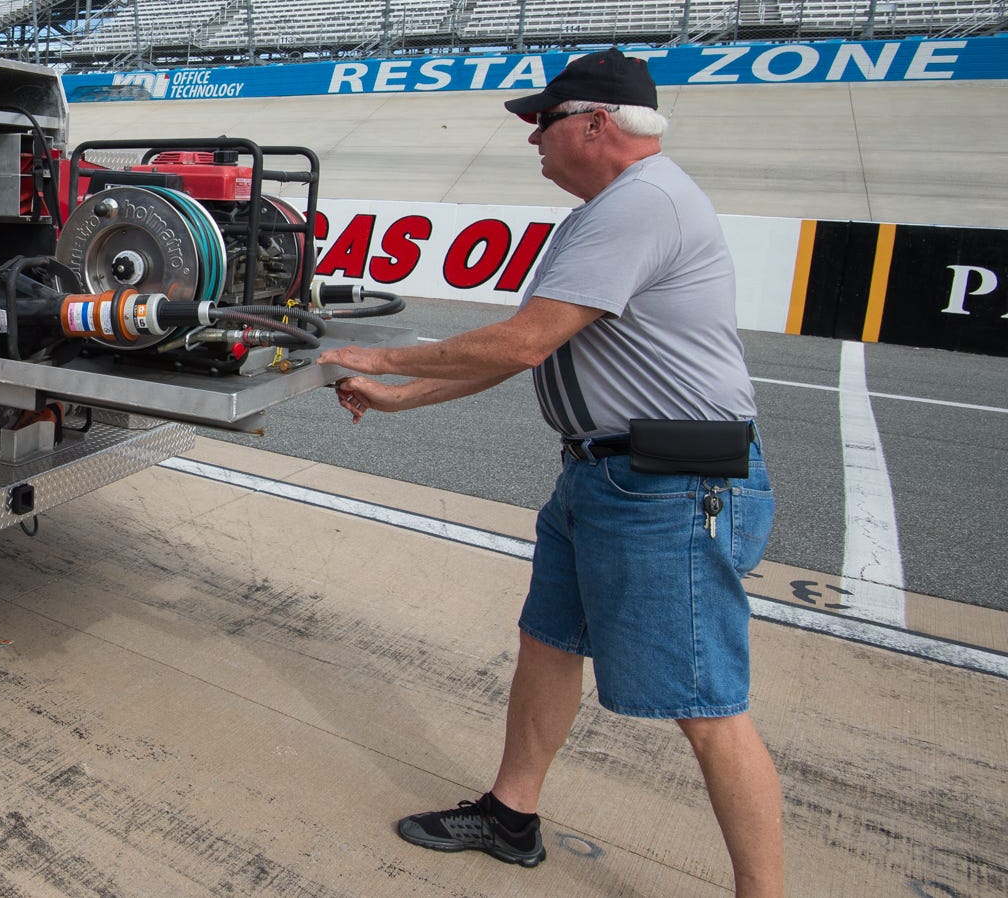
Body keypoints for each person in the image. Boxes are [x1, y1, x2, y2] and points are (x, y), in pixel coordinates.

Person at [319, 48, 782, 896]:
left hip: (668, 488)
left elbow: (523, 342)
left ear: (597, 123)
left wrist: (372, 353)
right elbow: (534, 346)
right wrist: (397, 396)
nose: (532, 139)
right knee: (549, 645)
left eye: (544, 122)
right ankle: (510, 813)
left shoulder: (642, 204)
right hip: (607, 479)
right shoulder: (608, 211)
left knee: (709, 708)